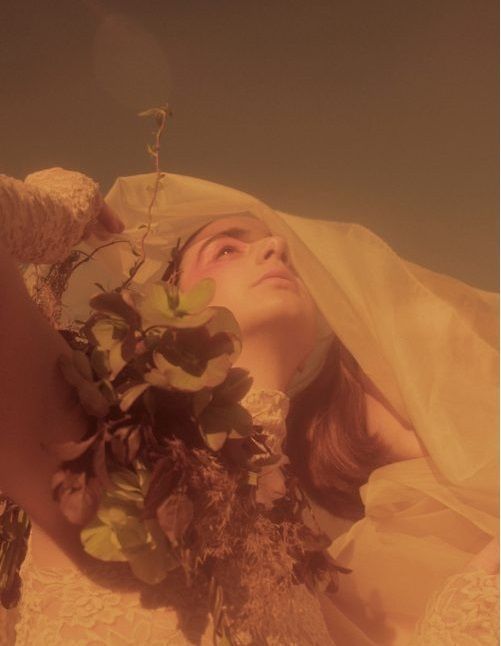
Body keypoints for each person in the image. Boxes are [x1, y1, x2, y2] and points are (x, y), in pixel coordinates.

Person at [0, 168, 498, 645]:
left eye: (278, 248)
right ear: (164, 309)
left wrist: (465, 620)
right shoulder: (105, 444)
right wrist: (57, 208)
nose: (276, 247)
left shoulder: (296, 555)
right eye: (227, 248)